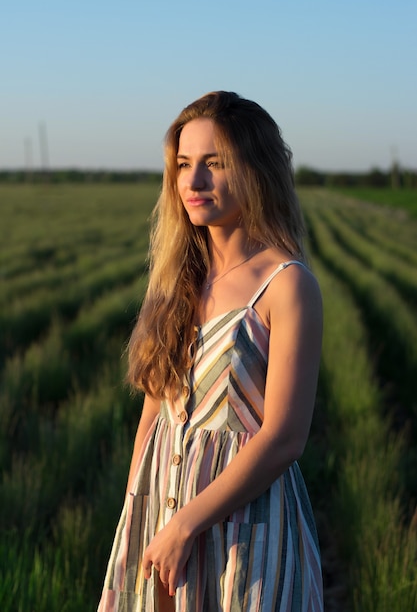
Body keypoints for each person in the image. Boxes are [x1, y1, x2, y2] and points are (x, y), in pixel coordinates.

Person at [98, 91, 323, 611]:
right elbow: (154, 410)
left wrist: (186, 523)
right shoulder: (178, 279)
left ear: (256, 169)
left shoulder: (287, 285)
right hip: (163, 516)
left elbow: (285, 438)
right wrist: (137, 514)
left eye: (213, 164)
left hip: (244, 534)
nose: (193, 183)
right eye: (183, 165)